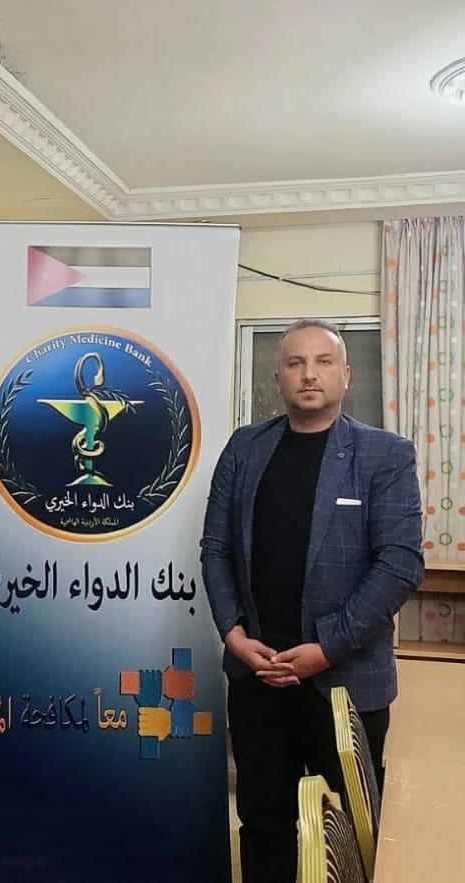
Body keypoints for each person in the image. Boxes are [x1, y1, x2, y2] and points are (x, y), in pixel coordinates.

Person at [200, 318, 423, 883]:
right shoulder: (244, 449)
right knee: (263, 823)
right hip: (257, 676)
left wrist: (326, 648)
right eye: (295, 362)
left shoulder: (384, 455)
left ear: (345, 375)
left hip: (345, 684)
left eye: (323, 361)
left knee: (352, 836)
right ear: (277, 377)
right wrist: (232, 634)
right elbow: (216, 548)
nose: (309, 374)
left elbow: (399, 564)